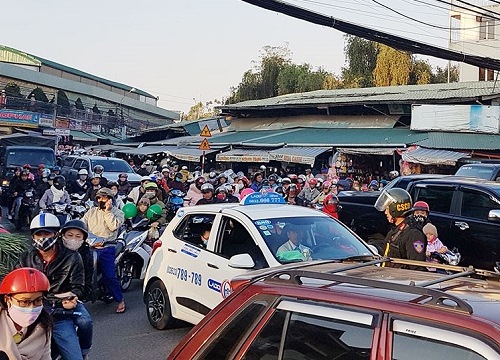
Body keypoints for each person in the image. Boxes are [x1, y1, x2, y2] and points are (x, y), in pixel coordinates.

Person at [18, 213, 93, 360]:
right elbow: (16, 283)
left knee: (85, 323)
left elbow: (78, 286)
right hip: (31, 312)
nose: (42, 238)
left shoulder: (72, 257)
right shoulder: (25, 258)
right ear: (33, 237)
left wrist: (70, 298)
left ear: (56, 234)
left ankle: (84, 352)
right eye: (38, 234)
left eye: (47, 233)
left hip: (59, 312)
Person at [82, 188, 125, 313]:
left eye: (104, 198)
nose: (101, 200)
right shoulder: (91, 212)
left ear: (110, 200)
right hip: (89, 248)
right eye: (99, 198)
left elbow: (113, 226)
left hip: (107, 248)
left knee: (109, 276)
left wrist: (108, 211)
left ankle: (120, 299)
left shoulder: (118, 213)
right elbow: (82, 226)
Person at [0, 267, 52, 360]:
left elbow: (46, 357)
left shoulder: (43, 327)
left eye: (38, 300)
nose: (31, 308)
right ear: (8, 300)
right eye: (24, 302)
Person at [375, 188, 427, 269]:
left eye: (387, 209)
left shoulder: (413, 234)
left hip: (400, 279)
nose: (385, 212)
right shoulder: (396, 230)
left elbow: (417, 268)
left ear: (395, 209)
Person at [60, 220, 94, 303]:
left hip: (74, 297)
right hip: (51, 296)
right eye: (70, 235)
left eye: (78, 236)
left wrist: (79, 296)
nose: (73, 239)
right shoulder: (56, 250)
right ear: (62, 235)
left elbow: (87, 277)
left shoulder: (86, 254)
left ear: (83, 239)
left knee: (84, 316)